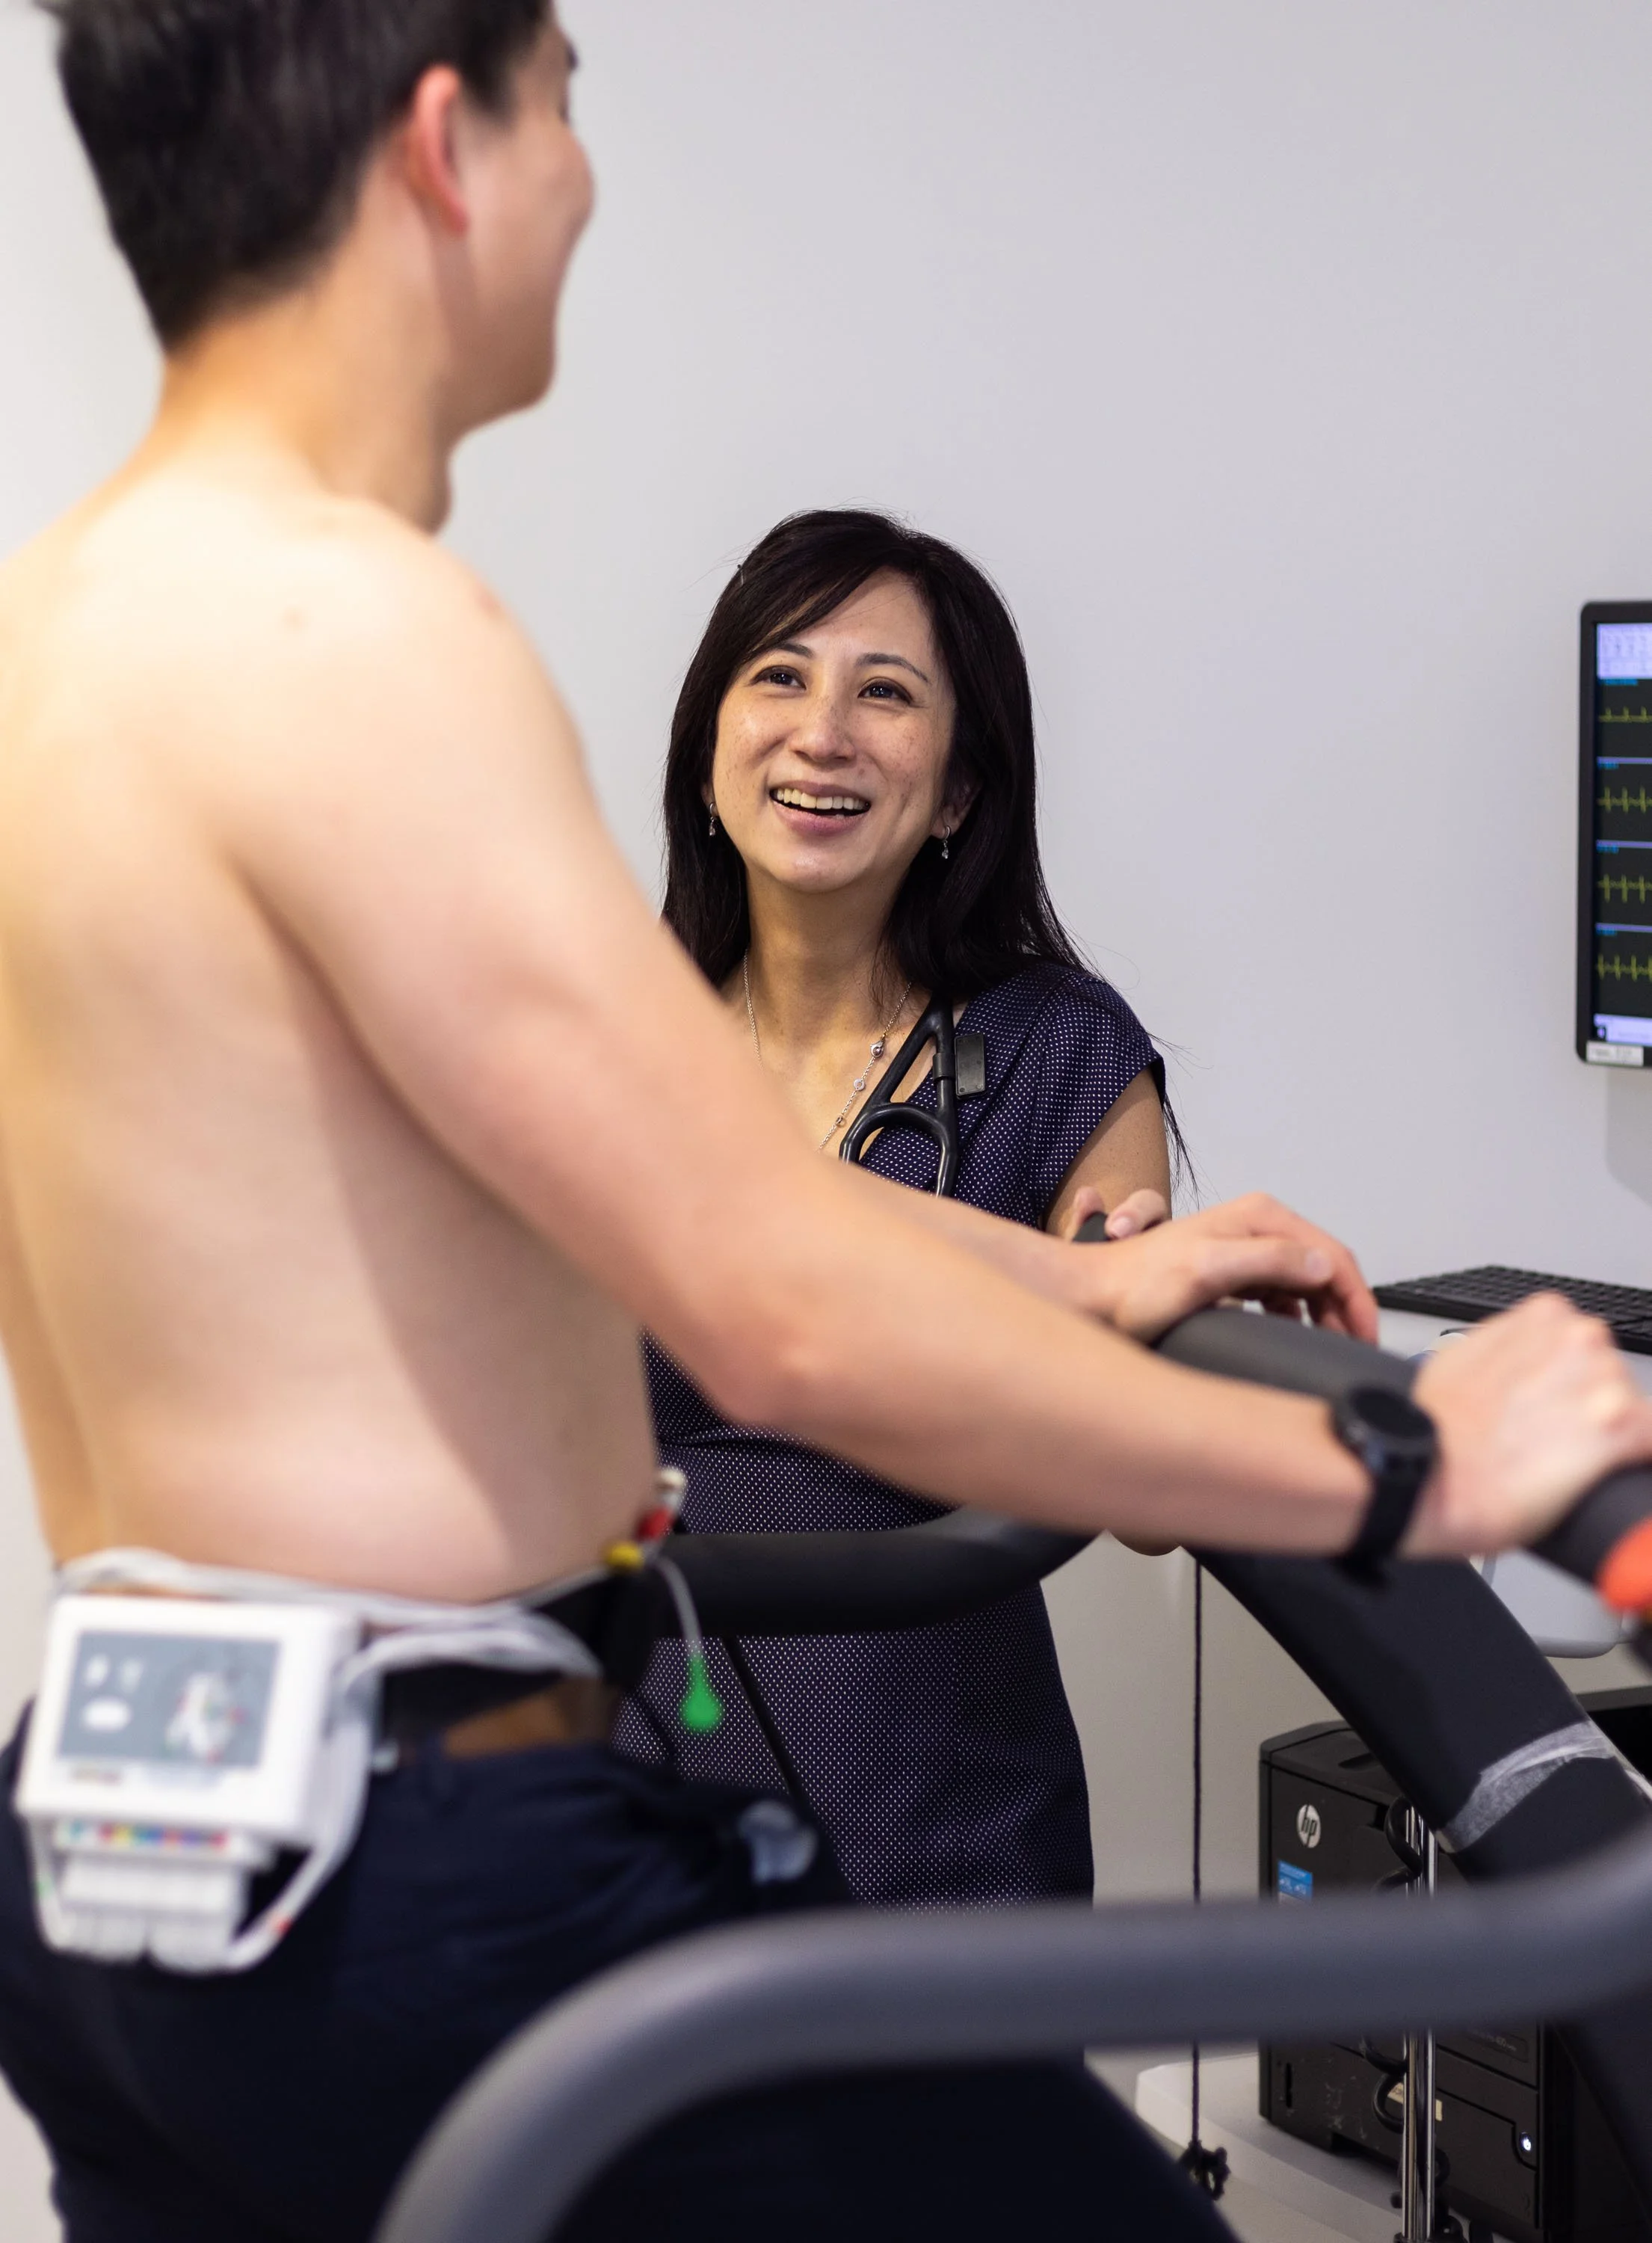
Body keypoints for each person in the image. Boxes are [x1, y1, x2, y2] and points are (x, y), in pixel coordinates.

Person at [1, 4, 1648, 2239]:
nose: (585, 177)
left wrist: (1083, 1277)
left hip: (118, 1851)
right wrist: (1411, 1471)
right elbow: (775, 1307)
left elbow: (698, 1193)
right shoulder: (356, 633)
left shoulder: (72, 635)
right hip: (418, 1850)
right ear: (443, 152)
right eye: (566, 104)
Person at [620, 508, 1178, 1906]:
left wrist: (1129, 1314)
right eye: (779, 677)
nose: (823, 732)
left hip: (937, 1833)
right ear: (708, 750)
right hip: (625, 1813)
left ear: (958, 796)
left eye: (885, 692)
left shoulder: (1058, 1051)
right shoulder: (611, 1040)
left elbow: (1152, 1499)